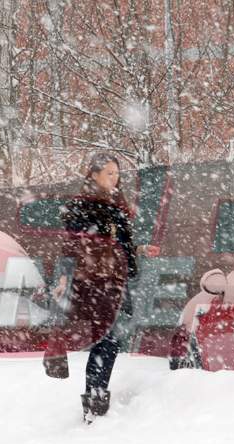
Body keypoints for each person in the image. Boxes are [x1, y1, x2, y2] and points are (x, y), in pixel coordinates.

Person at [43, 152, 159, 424]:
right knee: (108, 338)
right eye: (109, 173)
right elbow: (72, 245)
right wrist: (64, 276)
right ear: (93, 174)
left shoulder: (116, 202)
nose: (114, 177)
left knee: (110, 340)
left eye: (117, 173)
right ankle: (95, 402)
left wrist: (139, 249)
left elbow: (119, 243)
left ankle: (95, 401)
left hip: (117, 279)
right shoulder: (84, 205)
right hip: (95, 281)